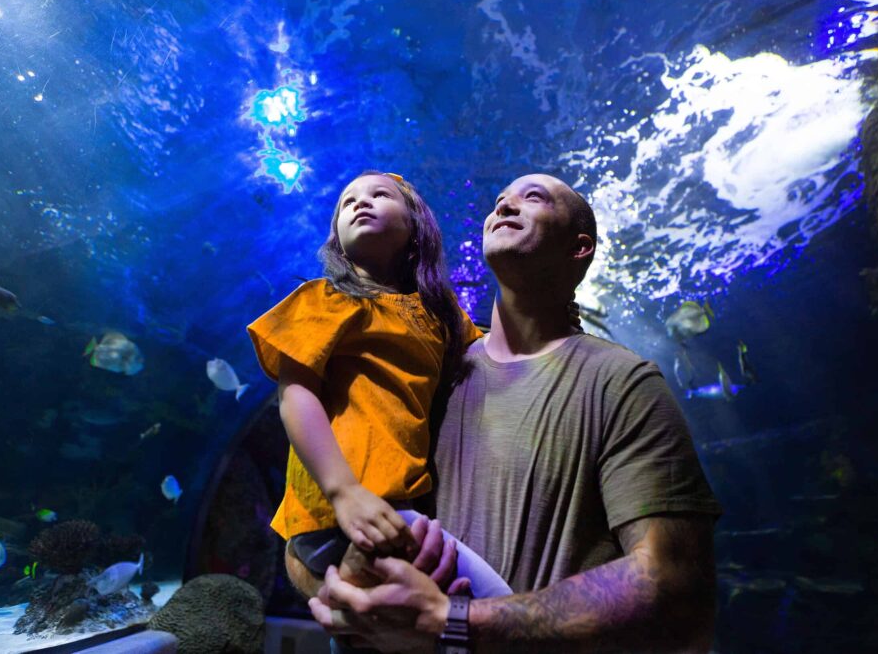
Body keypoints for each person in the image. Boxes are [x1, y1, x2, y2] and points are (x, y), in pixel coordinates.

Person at [308, 173, 723, 653]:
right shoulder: (429, 375)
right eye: (498, 201)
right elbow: (317, 526)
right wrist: (333, 586)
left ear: (579, 247)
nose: (504, 207)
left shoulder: (623, 384)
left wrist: (454, 621)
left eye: (533, 198)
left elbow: (678, 593)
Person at [245, 171, 512, 616]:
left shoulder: (439, 314)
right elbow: (295, 392)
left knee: (372, 631)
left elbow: (488, 349)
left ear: (416, 226)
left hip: (391, 505)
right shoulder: (325, 299)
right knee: (497, 606)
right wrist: (343, 490)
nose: (360, 202)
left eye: (380, 194)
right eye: (347, 201)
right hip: (349, 508)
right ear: (336, 239)